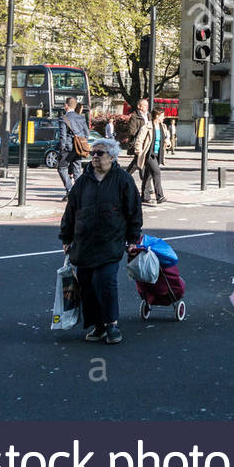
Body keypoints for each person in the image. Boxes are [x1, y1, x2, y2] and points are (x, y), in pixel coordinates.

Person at [58, 137, 142, 346]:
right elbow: (71, 211)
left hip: (110, 241)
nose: (94, 157)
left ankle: (112, 324)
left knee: (106, 283)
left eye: (100, 153)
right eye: (92, 153)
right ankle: (98, 325)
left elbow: (133, 210)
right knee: (87, 286)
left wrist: (133, 238)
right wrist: (66, 238)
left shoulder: (123, 180)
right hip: (84, 243)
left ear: (112, 157)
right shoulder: (83, 181)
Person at [133, 104, 167, 204]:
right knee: (157, 172)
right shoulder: (147, 126)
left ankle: (144, 196)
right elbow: (139, 140)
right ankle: (159, 197)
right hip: (148, 154)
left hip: (158, 154)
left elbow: (165, 138)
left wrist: (167, 142)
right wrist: (139, 152)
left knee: (148, 175)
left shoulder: (163, 127)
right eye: (162, 116)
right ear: (157, 115)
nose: (163, 118)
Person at [58, 97, 89, 194]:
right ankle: (79, 192)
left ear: (66, 106)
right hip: (79, 147)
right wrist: (82, 143)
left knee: (62, 168)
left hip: (68, 147)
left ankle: (70, 189)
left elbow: (62, 136)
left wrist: (62, 148)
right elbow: (87, 133)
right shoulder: (81, 117)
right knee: (77, 170)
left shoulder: (63, 118)